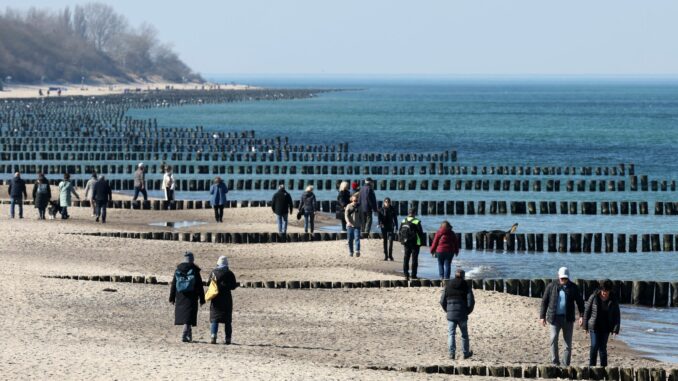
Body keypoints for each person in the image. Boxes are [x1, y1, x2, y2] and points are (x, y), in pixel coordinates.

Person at [539, 267, 585, 366]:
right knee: (553, 339)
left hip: (568, 319)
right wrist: (542, 316)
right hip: (554, 318)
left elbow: (580, 302)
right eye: (562, 278)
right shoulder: (551, 286)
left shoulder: (573, 287)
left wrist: (582, 316)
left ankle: (565, 364)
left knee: (568, 344)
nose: (563, 280)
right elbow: (544, 301)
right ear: (558, 276)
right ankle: (555, 363)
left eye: (565, 278)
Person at [169, 252, 205, 343]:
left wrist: (172, 297)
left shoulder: (178, 269)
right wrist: (202, 298)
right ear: (192, 259)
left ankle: (189, 335)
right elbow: (199, 285)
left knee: (186, 316)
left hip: (180, 295)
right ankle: (185, 334)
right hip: (192, 295)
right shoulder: (194, 269)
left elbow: (173, 284)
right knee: (189, 317)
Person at [584, 279, 621, 367]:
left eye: (607, 291)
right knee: (594, 345)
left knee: (603, 348)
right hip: (594, 326)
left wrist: (616, 329)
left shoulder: (613, 299)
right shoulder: (594, 296)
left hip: (606, 327)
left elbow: (617, 315)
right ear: (600, 289)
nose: (605, 293)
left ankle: (603, 368)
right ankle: (592, 367)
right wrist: (585, 326)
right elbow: (587, 311)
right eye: (603, 290)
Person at [440, 268, 475, 360]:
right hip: (462, 314)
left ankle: (452, 354)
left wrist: (447, 310)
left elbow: (442, 301)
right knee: (464, 335)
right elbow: (471, 301)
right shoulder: (466, 286)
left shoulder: (448, 286)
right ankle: (466, 353)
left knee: (451, 334)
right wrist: (468, 311)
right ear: (463, 276)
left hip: (451, 314)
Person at [208, 256, 239, 345]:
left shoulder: (213, 272)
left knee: (215, 318)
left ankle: (213, 336)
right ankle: (228, 338)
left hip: (216, 297)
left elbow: (209, 283)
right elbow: (233, 286)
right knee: (227, 320)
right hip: (226, 298)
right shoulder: (229, 273)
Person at [399, 208, 424, 280]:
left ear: (408, 213)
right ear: (414, 213)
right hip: (415, 243)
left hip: (406, 242)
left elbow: (400, 231)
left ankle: (406, 274)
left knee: (406, 258)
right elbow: (420, 233)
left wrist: (401, 240)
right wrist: (421, 243)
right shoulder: (416, 221)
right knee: (414, 259)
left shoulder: (403, 220)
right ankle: (413, 275)